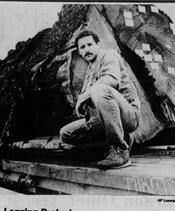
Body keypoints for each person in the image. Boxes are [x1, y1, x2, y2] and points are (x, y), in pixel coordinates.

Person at [60, 30, 141, 169]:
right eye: (82, 47)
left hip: (127, 115)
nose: (87, 49)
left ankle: (119, 150)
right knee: (66, 134)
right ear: (79, 52)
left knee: (99, 89)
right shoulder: (90, 70)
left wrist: (83, 97)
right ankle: (122, 140)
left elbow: (111, 79)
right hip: (103, 119)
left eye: (89, 44)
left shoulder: (108, 55)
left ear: (98, 44)